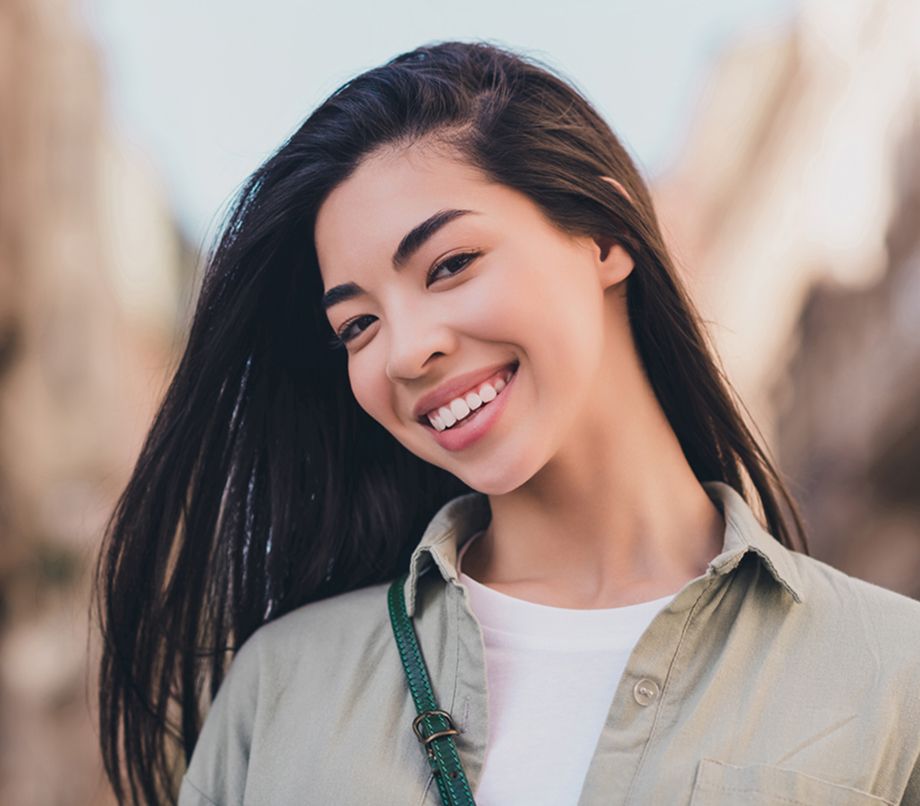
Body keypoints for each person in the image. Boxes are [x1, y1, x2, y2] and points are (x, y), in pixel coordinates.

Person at [92, 40, 920, 806]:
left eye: (450, 265)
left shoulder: (891, 672)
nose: (407, 352)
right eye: (358, 326)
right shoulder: (281, 689)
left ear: (603, 232)